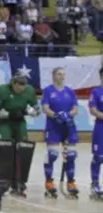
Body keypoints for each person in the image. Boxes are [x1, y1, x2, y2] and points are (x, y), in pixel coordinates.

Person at [39, 68, 78, 199]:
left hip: (68, 127)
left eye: (63, 74)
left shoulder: (70, 91)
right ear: (53, 76)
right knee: (52, 155)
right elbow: (45, 108)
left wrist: (68, 115)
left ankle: (71, 182)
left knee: (71, 155)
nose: (62, 76)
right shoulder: (48, 90)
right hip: (53, 127)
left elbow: (75, 108)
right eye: (59, 74)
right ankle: (49, 181)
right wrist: (56, 115)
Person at [88, 72, 103, 201]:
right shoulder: (96, 92)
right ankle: (95, 183)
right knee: (98, 157)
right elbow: (93, 109)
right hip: (101, 127)